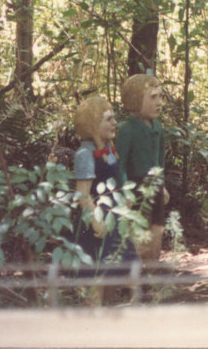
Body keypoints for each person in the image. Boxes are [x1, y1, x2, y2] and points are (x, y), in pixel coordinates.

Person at [71, 95, 139, 297]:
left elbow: (116, 177)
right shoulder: (85, 154)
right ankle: (94, 307)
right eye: (108, 119)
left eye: (114, 118)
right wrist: (95, 218)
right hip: (96, 217)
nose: (114, 123)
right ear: (93, 124)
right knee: (97, 270)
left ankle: (132, 305)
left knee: (126, 263)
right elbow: (83, 194)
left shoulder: (108, 148)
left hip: (114, 214)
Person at [115, 73, 168, 263]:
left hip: (155, 184)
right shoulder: (127, 129)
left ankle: (153, 267)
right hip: (135, 186)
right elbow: (120, 163)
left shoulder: (158, 127)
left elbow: (160, 159)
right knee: (137, 229)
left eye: (160, 96)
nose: (159, 102)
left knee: (157, 227)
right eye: (153, 97)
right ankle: (135, 270)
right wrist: (124, 190)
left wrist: (163, 185)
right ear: (136, 100)